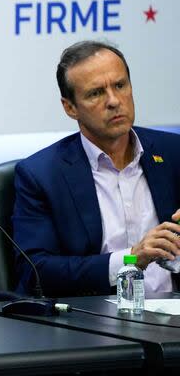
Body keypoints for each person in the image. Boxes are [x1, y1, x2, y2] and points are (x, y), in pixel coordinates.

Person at [13, 40, 180, 297]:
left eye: (120, 85)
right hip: (96, 325)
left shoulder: (173, 152)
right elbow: (37, 271)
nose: (114, 101)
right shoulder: (42, 175)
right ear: (70, 107)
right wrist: (131, 259)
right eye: (96, 93)